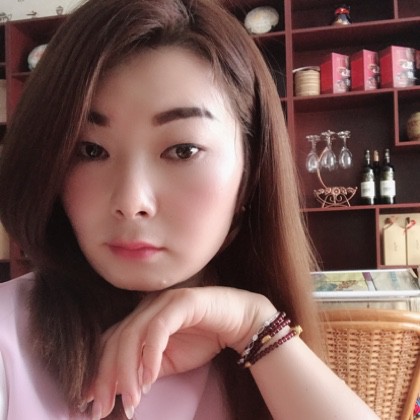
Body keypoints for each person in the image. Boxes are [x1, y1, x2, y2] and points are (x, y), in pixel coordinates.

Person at [0, 0, 379, 419]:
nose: (131, 202)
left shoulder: (260, 349)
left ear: (250, 171)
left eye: (183, 150)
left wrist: (256, 329)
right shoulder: (8, 341)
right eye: (90, 150)